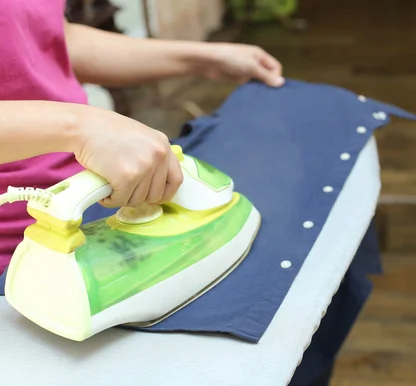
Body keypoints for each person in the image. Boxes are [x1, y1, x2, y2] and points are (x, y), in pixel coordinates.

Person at [0, 0, 284, 274]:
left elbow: (50, 40)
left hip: (88, 196)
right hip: (13, 238)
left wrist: (202, 58)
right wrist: (81, 127)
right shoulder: (78, 129)